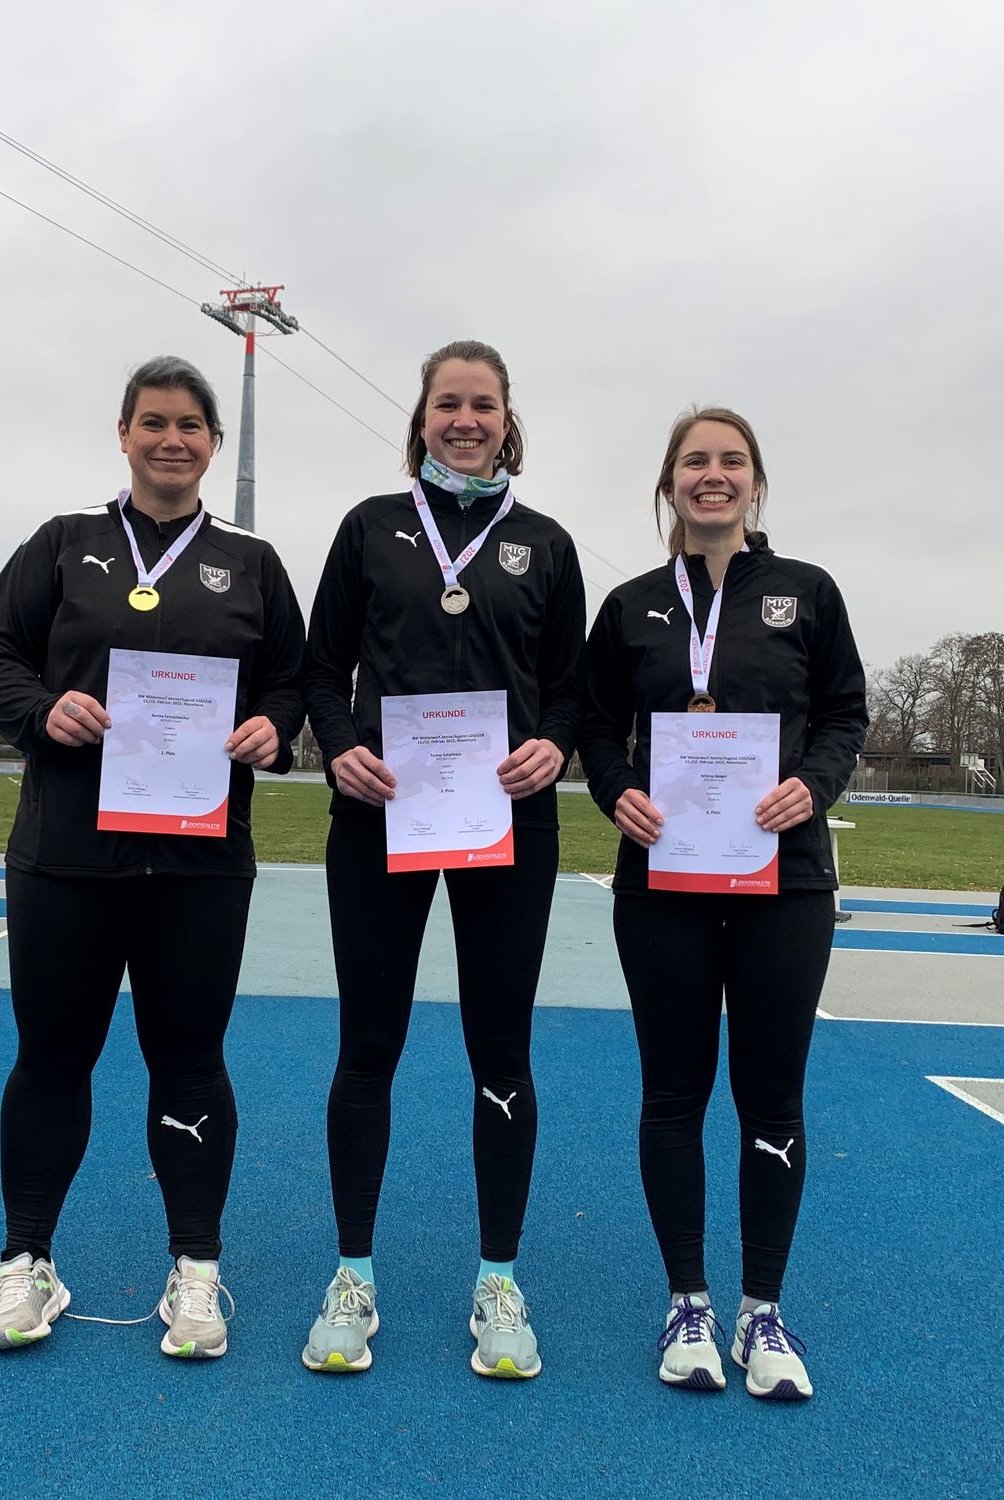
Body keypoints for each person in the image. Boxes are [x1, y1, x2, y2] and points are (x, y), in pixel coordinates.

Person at [0, 356, 305, 1359]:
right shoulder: (63, 543)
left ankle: (195, 1268)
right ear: (123, 435)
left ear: (213, 443)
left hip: (199, 863)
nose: (171, 439)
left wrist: (273, 729)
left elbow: (292, 682)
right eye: (153, 422)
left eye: (190, 425)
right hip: (66, 854)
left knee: (190, 1058)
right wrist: (41, 710)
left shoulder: (253, 562)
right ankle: (27, 1259)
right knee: (51, 1056)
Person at [301, 340, 586, 1378]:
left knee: (501, 1049)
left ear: (509, 422)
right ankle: (353, 1274)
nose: (466, 420)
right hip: (382, 813)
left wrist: (556, 744)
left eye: (484, 405)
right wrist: (340, 746)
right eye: (447, 404)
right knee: (367, 1045)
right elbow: (320, 667)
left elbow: (572, 688)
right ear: (420, 418)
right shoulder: (369, 527)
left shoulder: (545, 543)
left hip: (509, 820)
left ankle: (498, 1279)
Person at [580, 407, 867, 1400]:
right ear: (670, 483)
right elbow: (594, 726)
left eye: (731, 460)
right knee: (673, 1093)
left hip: (784, 879)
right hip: (662, 881)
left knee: (772, 1097)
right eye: (695, 461)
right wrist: (616, 788)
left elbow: (844, 714)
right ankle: (688, 1302)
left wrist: (813, 787)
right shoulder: (629, 606)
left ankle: (763, 1311)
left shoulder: (807, 593)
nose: (713, 475)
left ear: (755, 481)